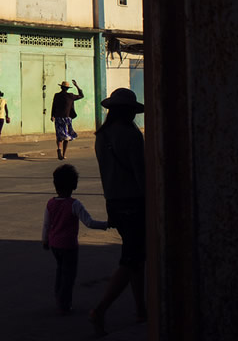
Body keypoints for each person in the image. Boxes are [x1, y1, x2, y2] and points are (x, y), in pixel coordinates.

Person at [90, 88, 146, 336]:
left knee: (136, 257)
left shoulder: (101, 136)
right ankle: (100, 309)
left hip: (113, 202)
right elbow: (141, 174)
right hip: (134, 203)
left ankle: (141, 308)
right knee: (132, 259)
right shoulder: (131, 135)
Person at [42, 164, 109, 315]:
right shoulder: (74, 204)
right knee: (69, 275)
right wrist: (106, 225)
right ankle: (64, 303)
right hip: (69, 246)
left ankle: (58, 296)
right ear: (74, 185)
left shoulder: (50, 203)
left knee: (60, 271)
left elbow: (46, 225)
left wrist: (44, 240)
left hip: (54, 244)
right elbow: (89, 222)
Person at [51, 80, 84, 160]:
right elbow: (81, 95)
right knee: (67, 137)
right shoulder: (71, 96)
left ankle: (59, 150)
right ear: (67, 89)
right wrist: (77, 86)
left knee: (59, 136)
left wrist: (52, 115)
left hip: (58, 118)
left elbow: (53, 105)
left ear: (61, 87)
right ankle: (63, 154)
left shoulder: (57, 95)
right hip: (67, 119)